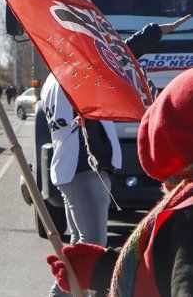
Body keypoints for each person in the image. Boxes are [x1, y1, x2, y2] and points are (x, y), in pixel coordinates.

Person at [47, 68, 193, 297]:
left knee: (82, 239)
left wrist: (102, 270)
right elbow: (164, 270)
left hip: (72, 170)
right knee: (86, 240)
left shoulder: (187, 216)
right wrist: (103, 268)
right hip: (82, 170)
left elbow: (167, 275)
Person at [42, 72, 121, 297]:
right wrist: (156, 34)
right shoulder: (71, 74)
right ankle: (60, 294)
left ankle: (65, 294)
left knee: (79, 247)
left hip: (74, 168)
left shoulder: (52, 79)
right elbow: (117, 56)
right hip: (84, 170)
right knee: (91, 248)